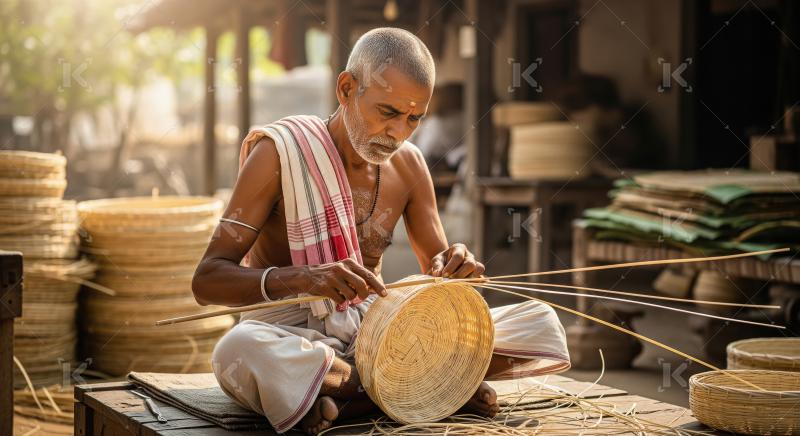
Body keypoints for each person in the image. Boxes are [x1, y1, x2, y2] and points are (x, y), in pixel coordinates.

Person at [192, 27, 570, 435]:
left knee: (540, 322)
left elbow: (435, 275)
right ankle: (425, 389)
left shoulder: (409, 166)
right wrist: (304, 277)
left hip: (378, 335)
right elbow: (207, 281)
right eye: (388, 112)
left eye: (414, 118)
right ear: (346, 88)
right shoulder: (279, 154)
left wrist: (454, 269)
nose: (399, 132)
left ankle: (351, 397)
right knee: (237, 350)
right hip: (291, 335)